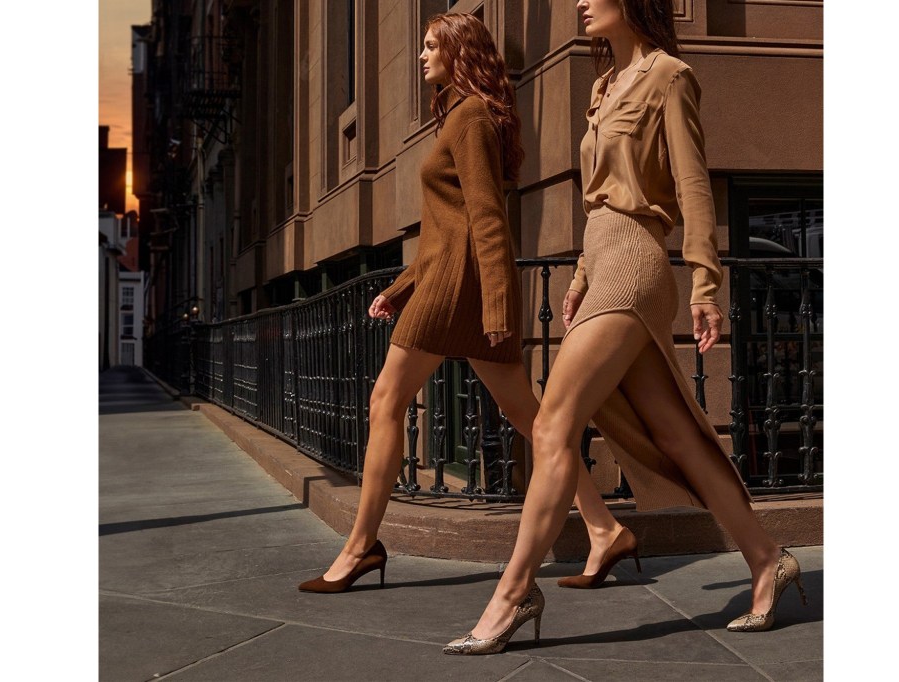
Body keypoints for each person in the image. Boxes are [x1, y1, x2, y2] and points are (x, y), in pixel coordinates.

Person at [443, 0, 806, 654]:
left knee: (554, 421)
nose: (581, 1)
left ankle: (515, 591)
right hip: (604, 263)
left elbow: (692, 184)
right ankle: (766, 558)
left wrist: (706, 281)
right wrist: (579, 278)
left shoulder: (670, 76)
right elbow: (598, 200)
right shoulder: (605, 87)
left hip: (639, 264)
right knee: (675, 432)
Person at [297, 12, 533, 593]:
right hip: (447, 280)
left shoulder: (471, 117)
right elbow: (441, 231)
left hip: (460, 288)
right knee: (531, 414)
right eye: (423, 45)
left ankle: (360, 545)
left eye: (433, 46)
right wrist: (397, 290)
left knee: (386, 398)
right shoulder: (455, 116)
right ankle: (605, 529)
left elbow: (486, 216)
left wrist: (500, 306)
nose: (423, 55)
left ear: (459, 53)